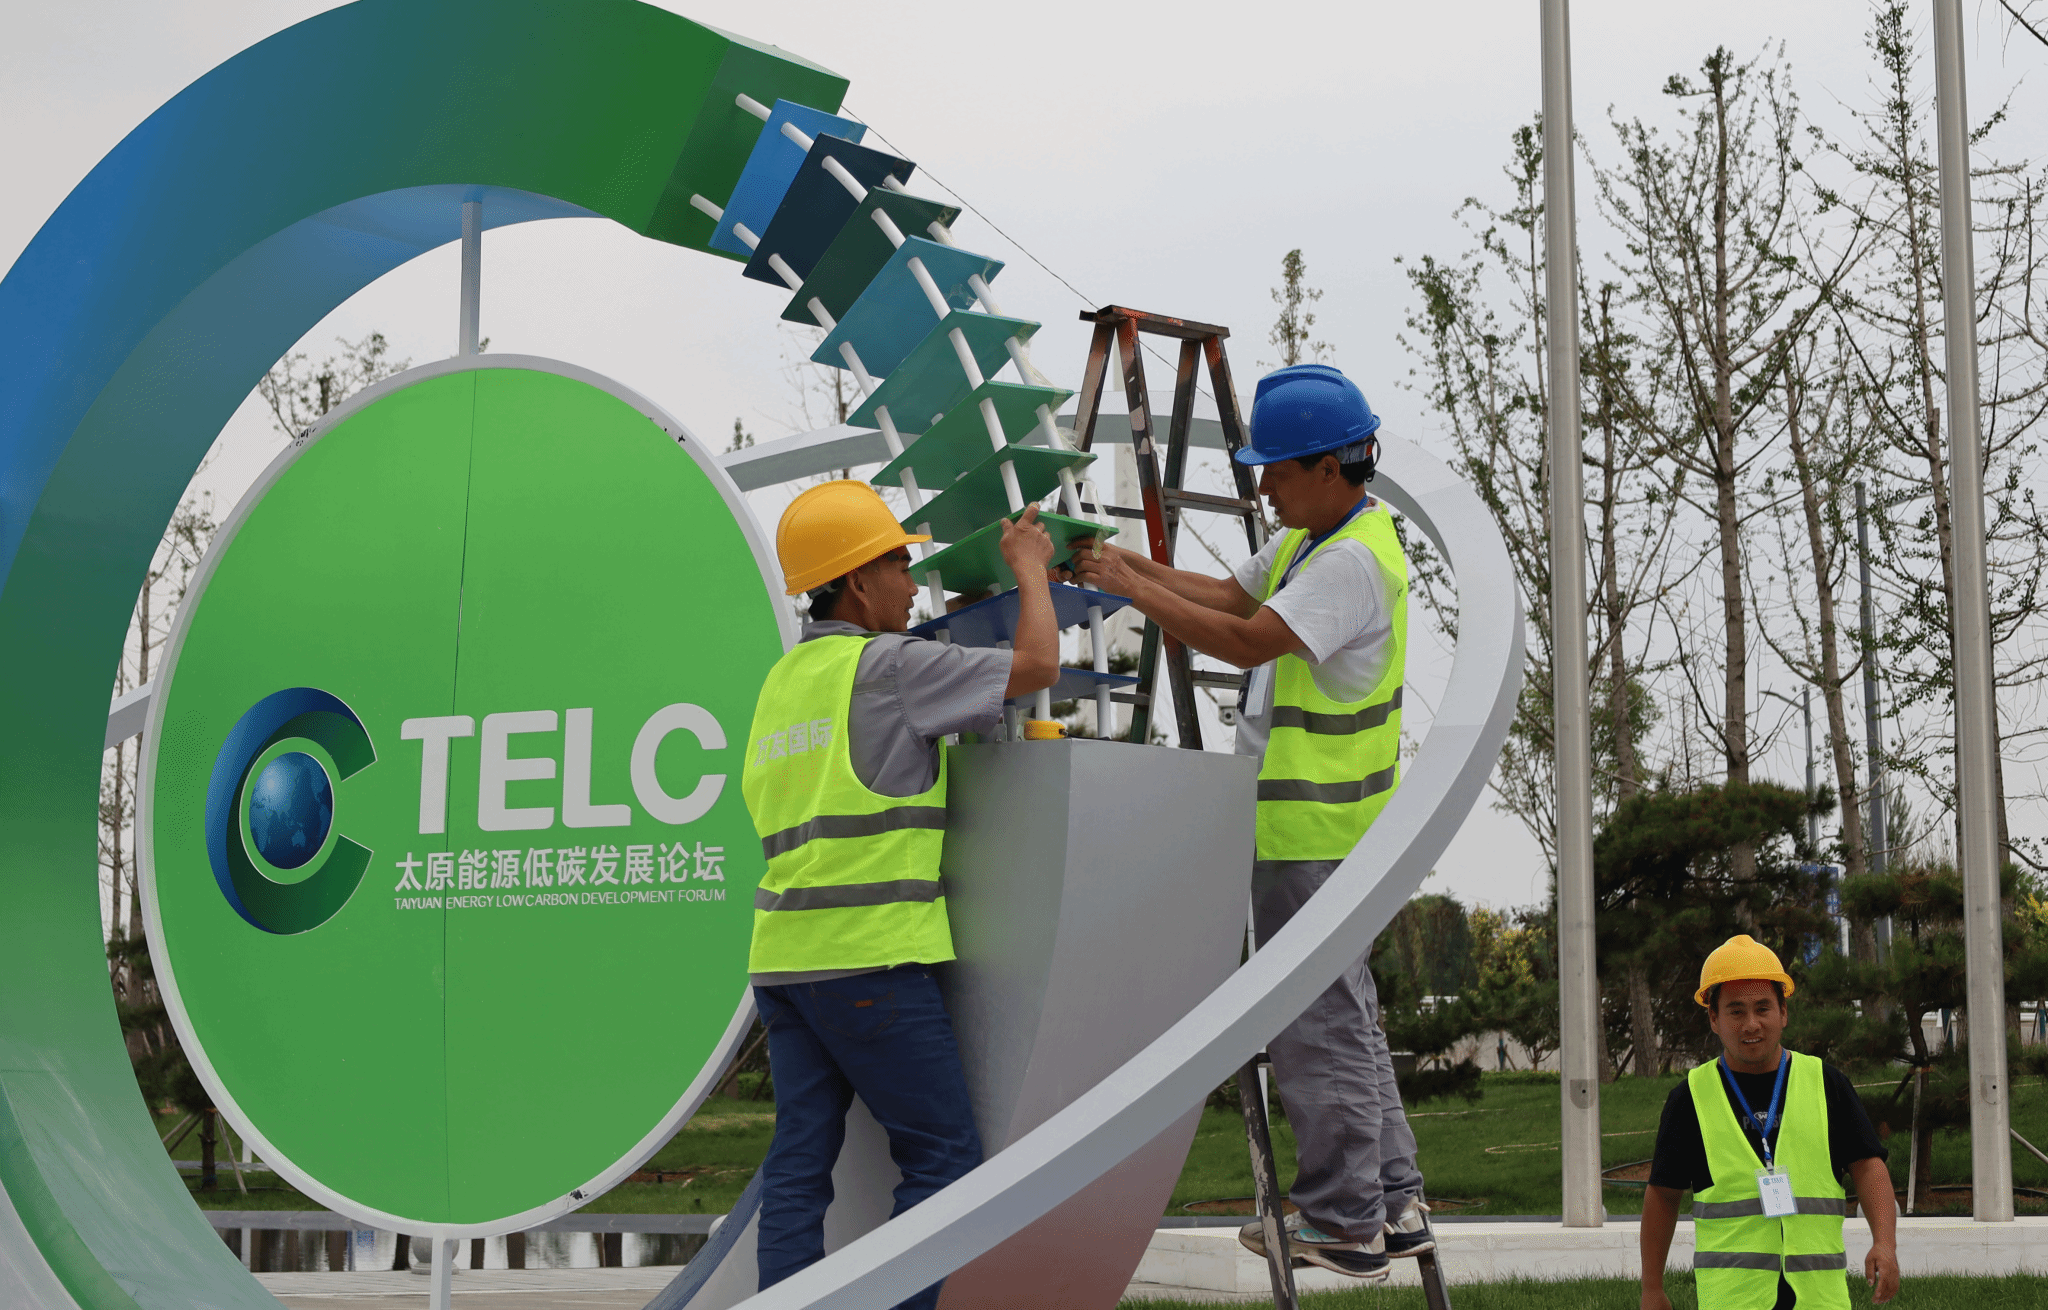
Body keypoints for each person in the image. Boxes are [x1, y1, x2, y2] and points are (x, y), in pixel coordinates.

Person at [1072, 364, 1429, 1281]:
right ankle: (1394, 1200)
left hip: (1315, 836)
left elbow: (1244, 640)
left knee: (1318, 1023)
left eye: (1274, 469)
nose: (1261, 486)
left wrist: (1130, 592)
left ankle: (1344, 1223)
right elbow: (1229, 597)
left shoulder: (1347, 564)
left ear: (1328, 466)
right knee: (1351, 1015)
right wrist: (1119, 564)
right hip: (1331, 834)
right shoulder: (1319, 538)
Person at [740, 481, 1061, 1310]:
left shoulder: (782, 683)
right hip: (871, 961)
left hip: (784, 963)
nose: (912, 583)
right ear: (857, 581)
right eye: (898, 564)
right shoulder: (887, 667)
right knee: (944, 1162)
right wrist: (1030, 571)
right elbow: (1037, 667)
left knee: (798, 1164)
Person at [1640, 935, 1900, 1310]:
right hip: (1733, 1301)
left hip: (1819, 1299)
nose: (1751, 1024)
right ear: (1713, 1018)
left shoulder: (1826, 1084)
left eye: (1763, 1008)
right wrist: (1652, 1287)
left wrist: (1885, 1243)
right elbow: (1663, 1196)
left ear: (1783, 1013)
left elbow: (1868, 1167)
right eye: (1736, 1011)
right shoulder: (1690, 1098)